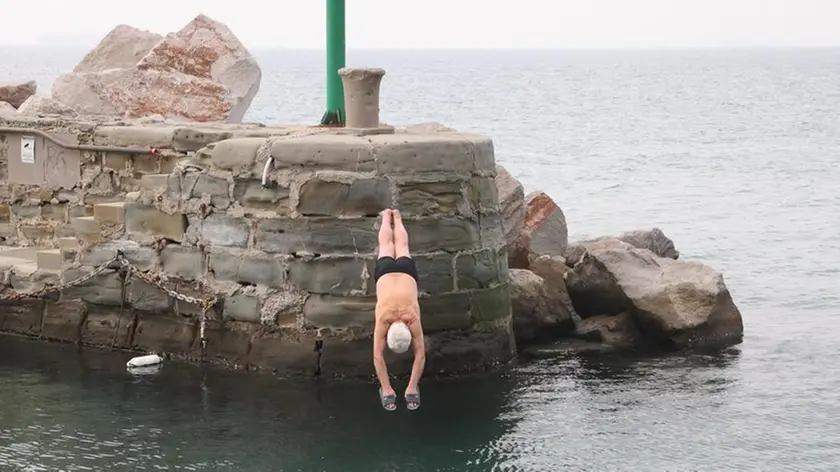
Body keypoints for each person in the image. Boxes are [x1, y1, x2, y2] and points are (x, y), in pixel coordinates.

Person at [373, 209, 425, 411]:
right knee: (390, 245)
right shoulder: (404, 319)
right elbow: (419, 356)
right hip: (386, 272)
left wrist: (387, 389)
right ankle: (392, 216)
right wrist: (411, 388)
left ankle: (388, 215)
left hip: (406, 272)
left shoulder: (406, 319)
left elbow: (378, 357)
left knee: (399, 246)